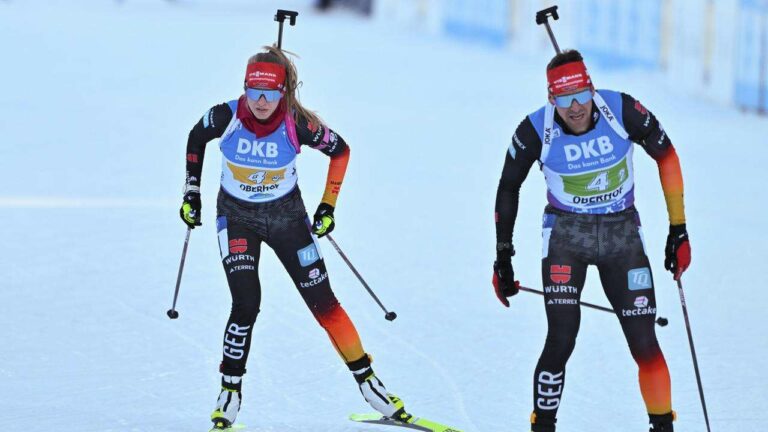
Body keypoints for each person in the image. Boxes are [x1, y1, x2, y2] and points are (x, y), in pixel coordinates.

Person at [180, 45, 411, 431]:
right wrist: (191, 192)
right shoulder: (226, 115)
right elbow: (194, 137)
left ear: (284, 92)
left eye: (271, 93)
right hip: (236, 218)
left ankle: (371, 386)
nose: (261, 102)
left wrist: (327, 206)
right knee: (246, 303)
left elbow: (342, 152)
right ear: (244, 89)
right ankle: (229, 392)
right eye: (254, 92)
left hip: (287, 219)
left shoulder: (298, 123)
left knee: (324, 303)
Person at [492, 50, 691, 432]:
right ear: (552, 99)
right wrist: (503, 257)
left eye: (581, 94)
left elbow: (666, 156)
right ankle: (543, 427)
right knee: (561, 336)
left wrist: (677, 229)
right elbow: (507, 187)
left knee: (645, 343)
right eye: (564, 99)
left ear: (591, 87)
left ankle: (663, 427)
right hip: (567, 235)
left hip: (621, 235)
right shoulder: (534, 130)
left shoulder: (622, 109)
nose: (576, 107)